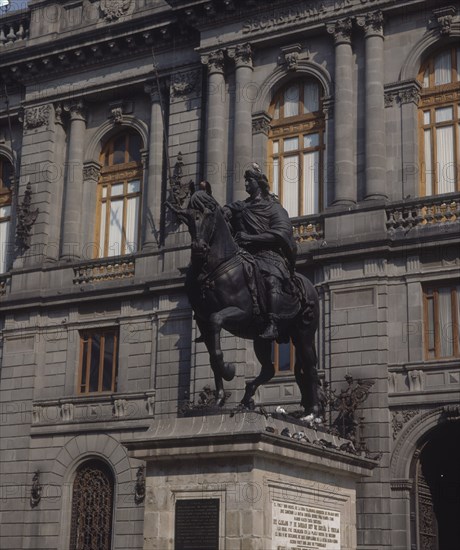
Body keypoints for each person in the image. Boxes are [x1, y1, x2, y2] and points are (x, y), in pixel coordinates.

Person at [223, 164, 298, 339]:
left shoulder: (274, 208)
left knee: (271, 279)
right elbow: (226, 211)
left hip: (270, 255)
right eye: (245, 180)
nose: (246, 184)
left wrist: (251, 238)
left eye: (249, 180)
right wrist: (224, 212)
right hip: (245, 255)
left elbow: (282, 233)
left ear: (259, 182)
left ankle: (272, 323)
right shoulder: (241, 206)